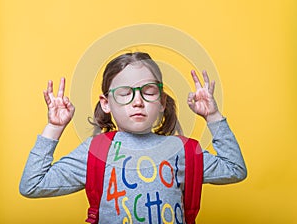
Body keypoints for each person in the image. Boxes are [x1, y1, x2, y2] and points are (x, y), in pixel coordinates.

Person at [20, 52, 247, 223]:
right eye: (125, 93)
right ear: (106, 103)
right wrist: (54, 127)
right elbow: (32, 185)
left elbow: (235, 169)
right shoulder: (95, 151)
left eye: (148, 92)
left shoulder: (180, 149)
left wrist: (213, 116)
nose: (137, 101)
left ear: (162, 103)